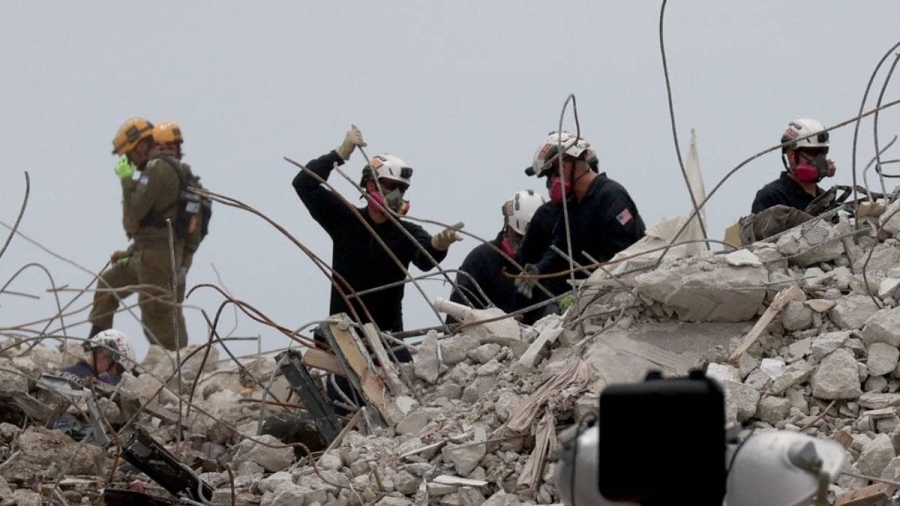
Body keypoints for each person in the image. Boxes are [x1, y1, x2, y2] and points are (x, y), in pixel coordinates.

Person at [292, 125, 464, 348]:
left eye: (402, 189)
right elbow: (304, 184)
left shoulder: (406, 232)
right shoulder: (346, 220)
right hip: (345, 337)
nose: (398, 194)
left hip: (388, 339)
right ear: (372, 185)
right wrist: (340, 153)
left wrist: (439, 245)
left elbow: (424, 259)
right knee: (344, 383)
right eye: (392, 187)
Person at [87, 117, 192, 350]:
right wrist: (131, 251)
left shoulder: (157, 168)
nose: (128, 160)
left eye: (129, 153)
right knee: (110, 283)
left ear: (142, 146)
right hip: (146, 253)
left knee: (156, 312)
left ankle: (178, 361)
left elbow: (133, 216)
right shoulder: (161, 170)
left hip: (157, 256)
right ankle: (96, 345)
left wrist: (126, 180)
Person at [515, 131, 646, 299]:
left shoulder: (611, 196)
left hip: (622, 292)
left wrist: (588, 289)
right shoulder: (573, 205)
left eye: (550, 175)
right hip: (588, 294)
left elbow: (623, 255)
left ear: (563, 167)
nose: (549, 183)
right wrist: (538, 270)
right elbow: (561, 249)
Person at [446, 189, 545, 323]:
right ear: (506, 225)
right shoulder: (480, 260)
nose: (524, 244)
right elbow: (456, 317)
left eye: (532, 238)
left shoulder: (545, 263)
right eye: (519, 236)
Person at [751, 118, 836, 214]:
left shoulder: (826, 200)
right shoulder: (772, 196)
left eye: (823, 151)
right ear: (791, 155)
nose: (820, 159)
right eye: (812, 152)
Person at [58, 329, 137, 385]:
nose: (113, 374)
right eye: (118, 369)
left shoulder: (65, 372)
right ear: (104, 356)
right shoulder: (91, 384)